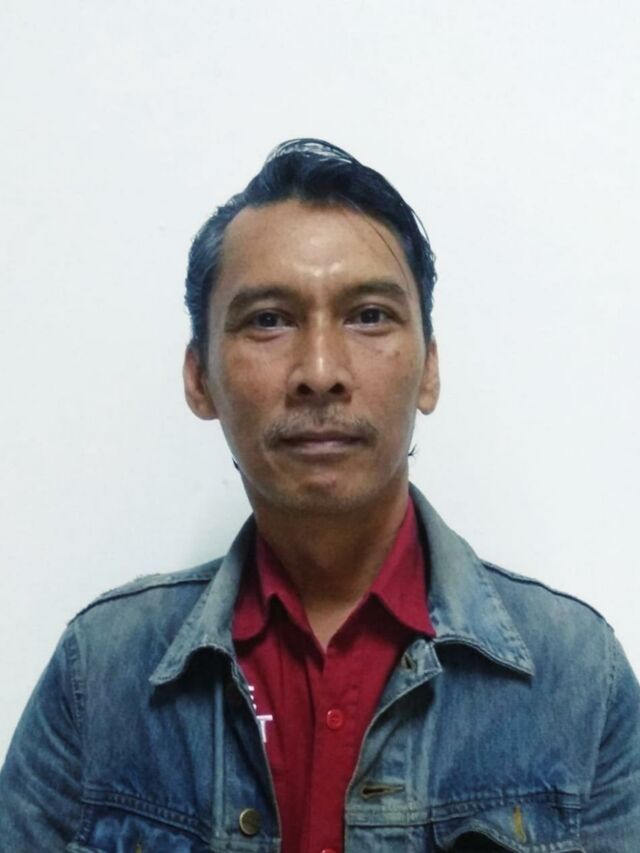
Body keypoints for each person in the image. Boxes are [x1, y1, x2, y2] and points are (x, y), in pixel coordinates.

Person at [1, 138, 638, 852]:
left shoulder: (577, 675)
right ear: (199, 379)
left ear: (429, 369)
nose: (320, 370)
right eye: (268, 319)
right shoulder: (100, 673)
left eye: (369, 315)